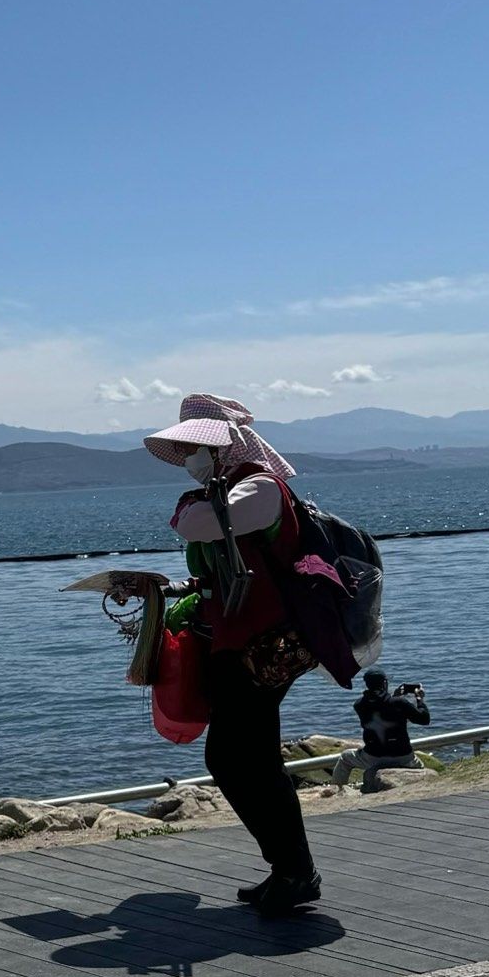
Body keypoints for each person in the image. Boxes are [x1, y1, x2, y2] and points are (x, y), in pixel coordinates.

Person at [142, 393, 327, 918]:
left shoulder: (260, 489)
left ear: (226, 447)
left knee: (234, 758)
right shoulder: (223, 492)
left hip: (263, 647)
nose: (190, 459)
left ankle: (296, 871)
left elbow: (196, 524)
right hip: (235, 643)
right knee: (251, 759)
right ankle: (289, 871)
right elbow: (210, 551)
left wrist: (187, 504)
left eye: (196, 449)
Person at [338, 671, 431, 790]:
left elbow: (381, 707)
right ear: (384, 683)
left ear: (366, 684)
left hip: (373, 757)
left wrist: (394, 697)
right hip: (403, 755)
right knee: (420, 768)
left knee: (345, 757)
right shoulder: (400, 703)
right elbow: (424, 719)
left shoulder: (359, 705)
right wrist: (419, 698)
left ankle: (338, 789)